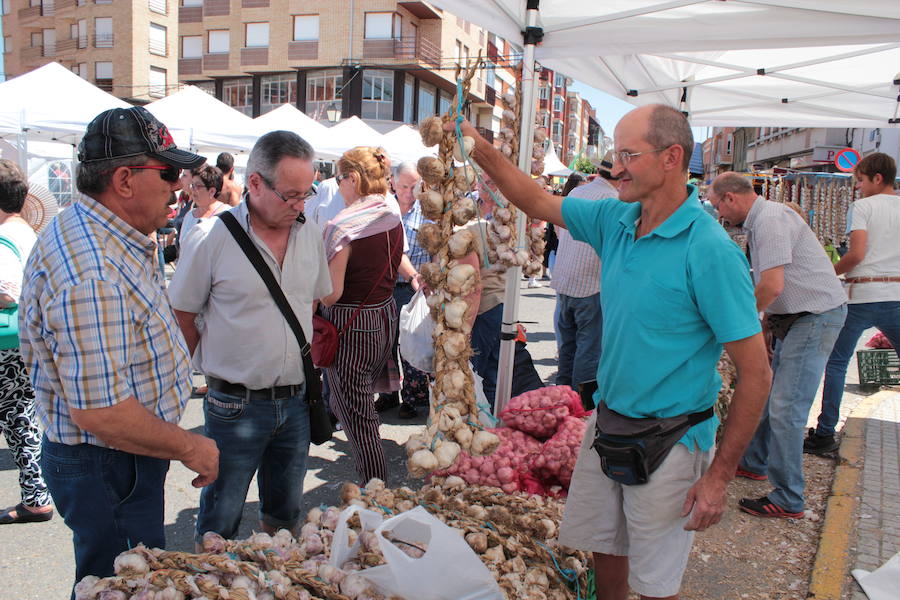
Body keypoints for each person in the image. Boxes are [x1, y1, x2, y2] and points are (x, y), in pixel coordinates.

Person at [448, 105, 771, 600]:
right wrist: (477, 144)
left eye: (627, 154)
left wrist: (720, 478)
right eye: (614, 153)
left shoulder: (709, 249)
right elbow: (535, 198)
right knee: (606, 553)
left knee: (655, 585)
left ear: (672, 157)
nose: (614, 167)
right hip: (609, 425)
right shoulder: (616, 219)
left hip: (673, 441)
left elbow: (756, 373)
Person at [18, 107, 219, 590]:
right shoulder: (91, 270)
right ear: (125, 180)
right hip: (108, 462)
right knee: (122, 586)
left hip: (116, 459)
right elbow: (102, 412)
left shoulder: (113, 237)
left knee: (119, 582)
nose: (179, 186)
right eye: (169, 173)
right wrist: (192, 446)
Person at [169, 131, 329, 545]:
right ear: (254, 183)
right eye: (290, 195)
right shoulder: (212, 237)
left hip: (296, 402)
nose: (299, 206)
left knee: (285, 517)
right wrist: (172, 393)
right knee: (220, 520)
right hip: (234, 406)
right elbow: (182, 316)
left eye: (305, 195)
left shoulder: (309, 231)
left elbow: (309, 302)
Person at [709, 172, 847, 519]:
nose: (720, 215)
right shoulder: (764, 218)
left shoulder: (768, 219)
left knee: (787, 408)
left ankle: (789, 497)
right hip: (799, 318)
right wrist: (767, 325)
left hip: (814, 316)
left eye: (717, 206)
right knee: (772, 396)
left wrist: (740, 322)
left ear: (730, 198)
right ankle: (755, 462)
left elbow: (771, 286)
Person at [320, 146, 404, 484]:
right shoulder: (391, 214)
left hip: (352, 325)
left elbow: (331, 293)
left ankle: (376, 492)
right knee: (359, 408)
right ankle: (375, 483)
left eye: (340, 179)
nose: (338, 186)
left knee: (357, 415)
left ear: (353, 178)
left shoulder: (343, 226)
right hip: (384, 316)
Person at [806, 153, 900, 454]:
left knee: (836, 363)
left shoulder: (862, 207)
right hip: (897, 293)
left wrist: (827, 273)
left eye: (860, 181)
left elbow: (856, 254)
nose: (858, 187)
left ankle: (824, 434)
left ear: (877, 178)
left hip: (863, 293)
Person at [0, 160, 52, 526]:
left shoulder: (4, 237)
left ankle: (37, 497)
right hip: (24, 338)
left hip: (6, 339)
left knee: (20, 416)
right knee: (22, 416)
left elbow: (7, 290)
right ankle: (36, 495)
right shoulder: (29, 233)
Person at [551, 166, 617, 390]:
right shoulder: (612, 199)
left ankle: (561, 398)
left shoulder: (576, 193)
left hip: (566, 280)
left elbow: (560, 231)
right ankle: (581, 410)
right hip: (591, 285)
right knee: (589, 353)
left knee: (567, 349)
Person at [375, 161, 430, 419]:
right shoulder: (385, 209)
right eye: (404, 185)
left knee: (412, 342)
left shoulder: (427, 211)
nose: (409, 190)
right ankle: (388, 393)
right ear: (393, 183)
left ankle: (414, 398)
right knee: (384, 343)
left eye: (414, 185)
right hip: (384, 286)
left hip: (415, 287)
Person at [460, 174, 509, 407]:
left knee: (479, 373)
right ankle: (491, 422)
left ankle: (483, 422)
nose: (483, 187)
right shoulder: (475, 219)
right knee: (490, 372)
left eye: (490, 182)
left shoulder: (497, 224)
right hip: (496, 305)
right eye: (481, 181)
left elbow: (475, 284)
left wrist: (466, 326)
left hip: (488, 306)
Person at [180, 164, 228, 245]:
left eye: (197, 186)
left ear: (212, 191)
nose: (192, 189)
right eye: (192, 185)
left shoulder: (226, 214)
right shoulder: (189, 216)